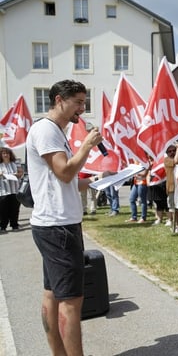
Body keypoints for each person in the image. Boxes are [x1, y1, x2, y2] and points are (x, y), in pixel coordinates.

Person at [26, 79, 105, 356]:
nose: (82, 109)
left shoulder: (54, 131)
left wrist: (96, 180)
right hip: (58, 227)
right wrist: (86, 146)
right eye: (78, 102)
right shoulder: (48, 131)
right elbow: (64, 172)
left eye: (84, 102)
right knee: (71, 301)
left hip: (55, 224)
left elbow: (65, 181)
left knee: (53, 293)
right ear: (60, 100)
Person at [0, 146, 23, 231]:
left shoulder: (15, 163)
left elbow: (21, 173)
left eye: (7, 153)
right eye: (3, 153)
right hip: (3, 191)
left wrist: (16, 175)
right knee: (3, 210)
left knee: (15, 209)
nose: (6, 155)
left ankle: (14, 225)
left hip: (15, 190)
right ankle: (3, 226)